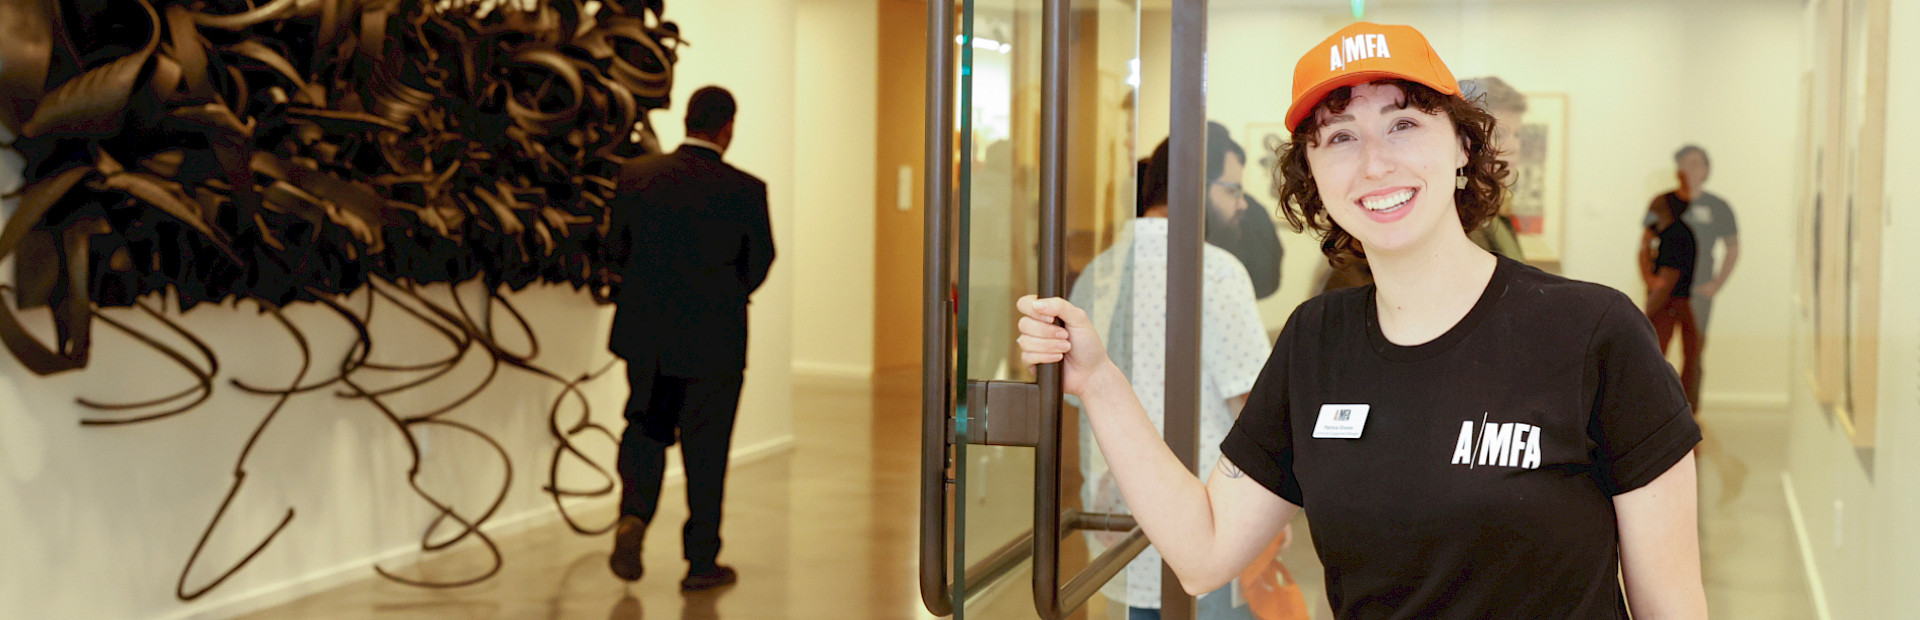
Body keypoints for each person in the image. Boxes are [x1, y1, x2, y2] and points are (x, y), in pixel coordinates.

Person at [1016, 22, 1706, 619]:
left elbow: (1669, 607)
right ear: (1312, 176)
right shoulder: (1316, 342)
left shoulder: (1592, 333)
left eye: (1404, 124)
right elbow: (1203, 552)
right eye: (1339, 137)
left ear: (1463, 148)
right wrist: (1100, 381)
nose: (1375, 163)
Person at [1073, 125, 1278, 620]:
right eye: (1230, 189)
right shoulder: (1218, 272)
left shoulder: (1098, 272)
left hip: (1115, 525)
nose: (1241, 203)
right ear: (1194, 188)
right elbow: (1255, 415)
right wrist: (1270, 516)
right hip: (1207, 525)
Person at [604, 86, 775, 591]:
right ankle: (701, 562)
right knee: (707, 452)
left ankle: (633, 516)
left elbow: (616, 249)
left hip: (647, 337)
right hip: (715, 341)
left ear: (686, 120)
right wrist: (722, 297)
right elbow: (760, 261)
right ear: (727, 128)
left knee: (645, 428)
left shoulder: (637, 177)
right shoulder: (746, 188)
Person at [1643, 146, 1740, 334]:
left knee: (1694, 351)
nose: (1690, 170)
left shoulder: (1717, 206)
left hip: (1698, 288)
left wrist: (1717, 283)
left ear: (1706, 169)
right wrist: (1650, 278)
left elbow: (1733, 247)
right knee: (1655, 345)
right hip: (1666, 286)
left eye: (1695, 164)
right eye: (1685, 164)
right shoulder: (1663, 202)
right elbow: (1645, 243)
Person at [1640, 193, 1701, 411]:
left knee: (1659, 353)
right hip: (1674, 302)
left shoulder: (1676, 236)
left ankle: (1665, 405)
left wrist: (1647, 312)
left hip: (1672, 305)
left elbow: (1667, 281)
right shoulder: (1665, 233)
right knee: (1684, 353)